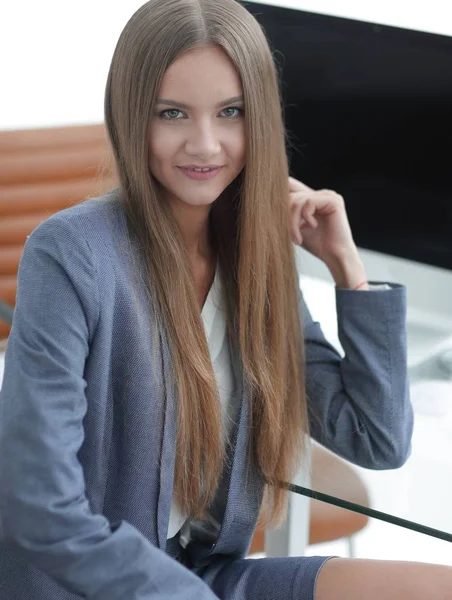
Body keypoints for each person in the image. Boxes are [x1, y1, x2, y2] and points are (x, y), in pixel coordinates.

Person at [0, 0, 450, 598]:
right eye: (173, 113)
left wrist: (348, 270)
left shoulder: (255, 258)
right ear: (132, 115)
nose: (205, 144)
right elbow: (39, 506)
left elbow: (375, 439)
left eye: (230, 112)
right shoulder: (70, 254)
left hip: (205, 576)